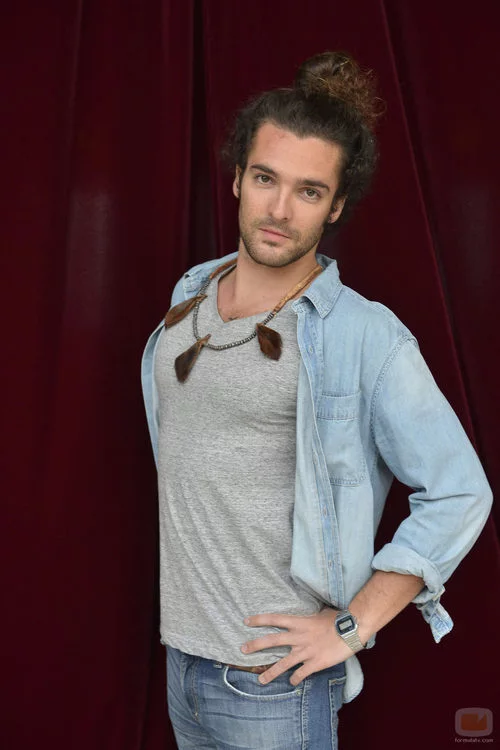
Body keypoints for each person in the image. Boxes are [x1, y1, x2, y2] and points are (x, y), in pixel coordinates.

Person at [141, 51, 493, 750]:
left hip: (275, 686)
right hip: (182, 662)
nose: (278, 209)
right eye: (265, 178)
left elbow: (459, 490)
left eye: (308, 191)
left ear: (335, 206)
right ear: (237, 177)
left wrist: (352, 625)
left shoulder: (364, 336)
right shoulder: (191, 293)